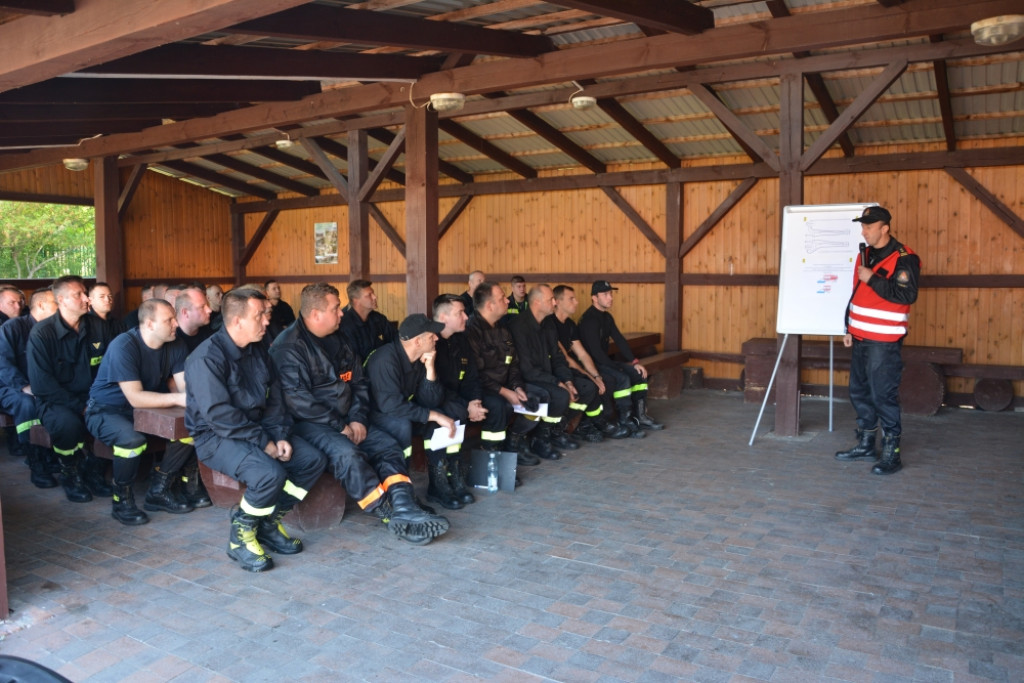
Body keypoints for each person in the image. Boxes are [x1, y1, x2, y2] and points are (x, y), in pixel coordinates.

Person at [269, 283, 450, 543]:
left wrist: (357, 418)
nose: (342, 313)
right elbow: (298, 401)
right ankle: (387, 511)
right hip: (309, 424)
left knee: (388, 445)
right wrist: (340, 426)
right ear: (316, 314)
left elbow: (359, 383)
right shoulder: (289, 347)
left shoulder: (340, 337)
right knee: (348, 456)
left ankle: (405, 505)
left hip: (347, 419)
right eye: (335, 308)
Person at [185, 288, 326, 572]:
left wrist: (280, 435)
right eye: (259, 315)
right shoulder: (205, 359)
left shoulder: (259, 347)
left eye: (266, 314)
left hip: (259, 430)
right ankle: (240, 536)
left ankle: (268, 522)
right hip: (217, 437)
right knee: (268, 474)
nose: (266, 321)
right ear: (237, 321)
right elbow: (219, 416)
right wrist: (265, 443)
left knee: (312, 460)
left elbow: (276, 398)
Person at [85, 299, 204, 525]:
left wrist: (191, 399)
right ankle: (122, 501)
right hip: (107, 410)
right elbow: (135, 397)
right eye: (169, 320)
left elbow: (185, 387)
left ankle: (159, 490)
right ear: (149, 324)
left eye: (175, 318)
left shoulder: (175, 343)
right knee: (131, 440)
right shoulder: (124, 345)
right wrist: (181, 399)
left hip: (146, 408)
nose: (175, 324)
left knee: (191, 426)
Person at [835, 206, 920, 475]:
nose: (864, 231)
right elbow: (856, 294)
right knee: (859, 392)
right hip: (860, 337)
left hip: (883, 341)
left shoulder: (905, 258)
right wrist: (848, 327)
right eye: (863, 226)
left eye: (869, 227)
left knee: (882, 395)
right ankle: (866, 444)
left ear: (885, 228)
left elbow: (906, 296)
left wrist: (872, 278)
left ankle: (892, 453)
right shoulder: (865, 254)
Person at [27, 275, 118, 502]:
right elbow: (42, 385)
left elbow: (112, 367)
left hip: (95, 397)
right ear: (62, 300)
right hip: (57, 401)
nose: (86, 298)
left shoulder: (99, 326)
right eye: (79, 294)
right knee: (67, 424)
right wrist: (80, 407)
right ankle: (71, 473)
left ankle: (93, 471)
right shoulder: (42, 333)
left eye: (85, 293)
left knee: (117, 417)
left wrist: (97, 402)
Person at [364, 313, 458, 476]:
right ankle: (401, 483)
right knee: (402, 425)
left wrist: (430, 369)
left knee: (440, 417)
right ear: (417, 342)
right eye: (431, 336)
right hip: (372, 415)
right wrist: (432, 414)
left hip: (398, 411)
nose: (436, 338)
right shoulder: (385, 360)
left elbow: (431, 401)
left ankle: (439, 482)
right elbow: (391, 406)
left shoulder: (420, 359)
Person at [509, 285, 598, 454]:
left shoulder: (548, 324)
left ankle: (555, 430)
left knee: (586, 388)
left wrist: (568, 381)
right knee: (560, 394)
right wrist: (558, 383)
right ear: (537, 302)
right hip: (527, 379)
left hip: (547, 376)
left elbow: (558, 358)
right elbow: (527, 370)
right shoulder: (519, 326)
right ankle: (539, 438)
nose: (554, 302)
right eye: (551, 299)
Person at [465, 282, 544, 467]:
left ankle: (514, 444)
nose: (508, 300)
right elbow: (475, 373)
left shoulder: (502, 327)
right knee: (500, 406)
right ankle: (492, 461)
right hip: (482, 388)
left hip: (505, 385)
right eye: (502, 298)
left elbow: (513, 363)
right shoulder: (472, 330)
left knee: (537, 398)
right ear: (490, 305)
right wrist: (505, 392)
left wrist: (517, 387)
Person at [578, 280, 663, 434]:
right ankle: (625, 420)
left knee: (639, 374)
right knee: (622, 378)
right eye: (605, 294)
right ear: (594, 298)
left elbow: (619, 340)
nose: (610, 297)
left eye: (610, 293)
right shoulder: (589, 320)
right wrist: (617, 367)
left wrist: (634, 362)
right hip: (592, 365)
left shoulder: (606, 317)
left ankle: (640, 416)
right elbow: (595, 352)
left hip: (605, 362)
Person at [429, 294, 488, 509]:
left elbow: (471, 375)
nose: (466, 316)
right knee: (454, 413)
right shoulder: (431, 341)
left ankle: (454, 476)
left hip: (457, 401)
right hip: (431, 402)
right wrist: (466, 405)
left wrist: (475, 401)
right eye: (460, 313)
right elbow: (436, 387)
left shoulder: (461, 339)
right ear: (443, 317)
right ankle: (437, 485)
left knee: (459, 411)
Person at [552, 285, 631, 440]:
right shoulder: (550, 324)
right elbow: (566, 359)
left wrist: (596, 375)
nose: (576, 302)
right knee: (590, 385)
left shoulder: (569, 325)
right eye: (571, 299)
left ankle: (595, 422)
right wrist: (590, 377)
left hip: (568, 368)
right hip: (555, 371)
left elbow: (582, 354)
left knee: (605, 379)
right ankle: (585, 425)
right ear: (557, 302)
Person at [0, 287, 59, 487]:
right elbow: (3, 364)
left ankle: (61, 457)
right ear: (41, 305)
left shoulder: (56, 329)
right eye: (55, 303)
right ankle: (36, 460)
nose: (60, 307)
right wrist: (24, 386)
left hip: (44, 386)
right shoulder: (12, 328)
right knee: (27, 404)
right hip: (11, 388)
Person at [336, 279, 396, 361]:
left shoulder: (378, 319)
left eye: (373, 293)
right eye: (369, 295)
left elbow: (395, 340)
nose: (375, 297)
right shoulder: (345, 325)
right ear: (356, 301)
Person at [174, 284, 213, 353]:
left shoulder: (209, 335)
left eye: (207, 305)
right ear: (185, 313)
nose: (209, 310)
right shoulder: (171, 339)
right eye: (202, 307)